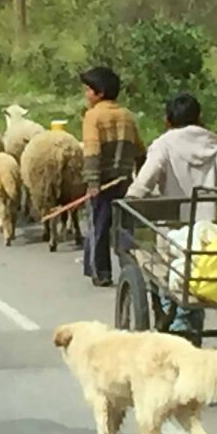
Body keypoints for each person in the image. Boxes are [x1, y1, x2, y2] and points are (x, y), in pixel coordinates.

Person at [127, 93, 217, 333]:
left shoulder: (163, 145)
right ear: (199, 118)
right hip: (207, 239)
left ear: (168, 120)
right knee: (197, 275)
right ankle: (188, 328)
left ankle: (177, 327)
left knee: (168, 276)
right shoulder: (213, 146)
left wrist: (133, 195)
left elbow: (146, 177)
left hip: (173, 236)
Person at [80, 66, 145, 287]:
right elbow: (139, 149)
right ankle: (130, 267)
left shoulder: (93, 116)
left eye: (88, 90)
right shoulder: (127, 116)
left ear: (99, 92)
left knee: (98, 225)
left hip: (103, 182)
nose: (85, 94)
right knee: (123, 227)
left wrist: (92, 182)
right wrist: (139, 175)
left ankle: (101, 272)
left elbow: (92, 150)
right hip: (124, 182)